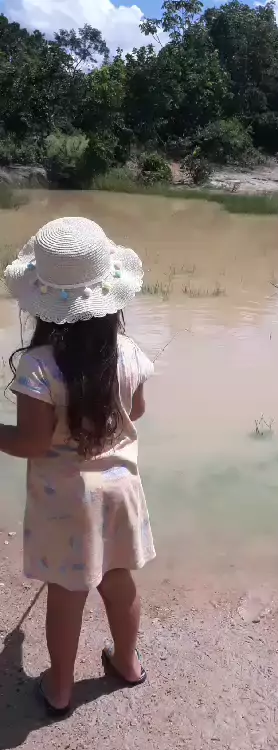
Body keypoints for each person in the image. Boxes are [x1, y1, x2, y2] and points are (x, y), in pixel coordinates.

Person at [1, 216, 156, 717]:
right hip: (121, 490)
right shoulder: (128, 353)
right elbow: (136, 411)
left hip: (66, 501)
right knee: (118, 578)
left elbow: (30, 442)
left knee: (67, 593)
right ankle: (127, 662)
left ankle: (61, 688)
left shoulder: (39, 366)